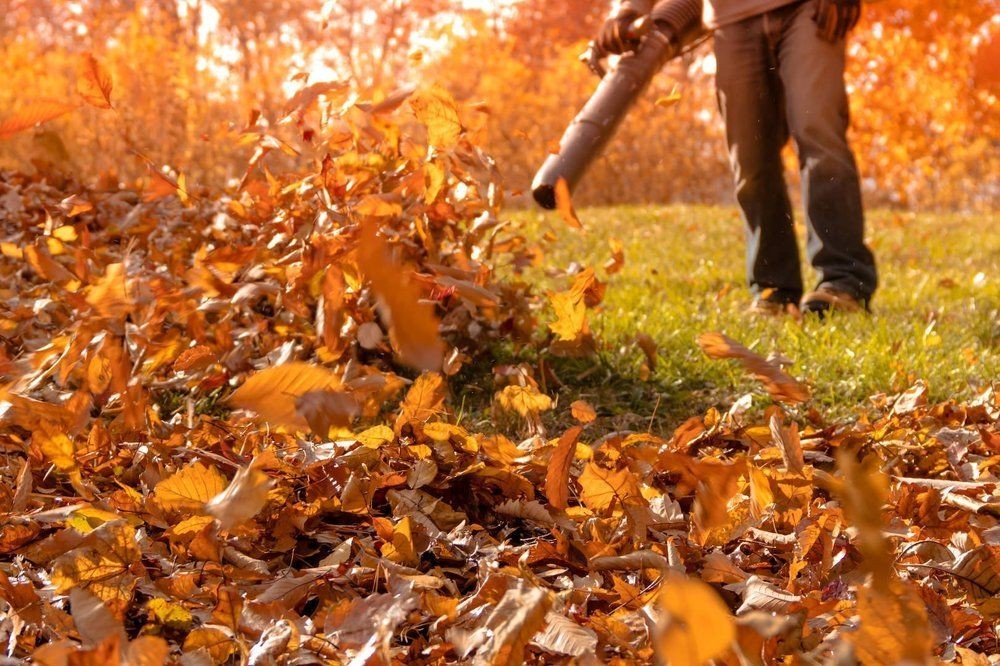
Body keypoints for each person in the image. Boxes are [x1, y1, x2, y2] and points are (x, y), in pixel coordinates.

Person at [597, 0, 878, 316]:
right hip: (731, 18)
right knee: (750, 158)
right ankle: (774, 290)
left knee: (818, 131)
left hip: (808, 8)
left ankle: (843, 283)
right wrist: (627, 10)